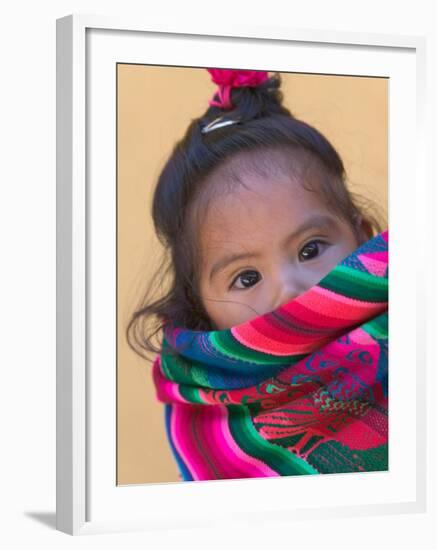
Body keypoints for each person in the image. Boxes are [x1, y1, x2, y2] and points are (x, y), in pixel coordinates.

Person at [126, 68, 388, 481]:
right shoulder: (211, 421)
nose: (290, 290)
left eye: (310, 249)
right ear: (202, 307)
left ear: (364, 237)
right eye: (247, 278)